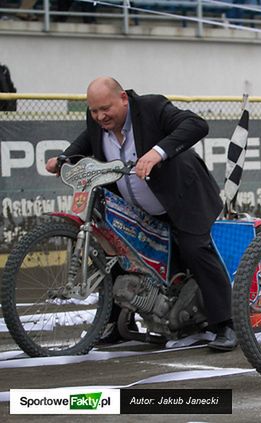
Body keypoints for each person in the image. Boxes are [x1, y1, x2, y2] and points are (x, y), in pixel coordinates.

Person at [45, 77, 236, 352]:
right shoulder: (98, 123)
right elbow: (87, 140)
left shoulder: (152, 107)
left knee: (196, 250)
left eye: (105, 109)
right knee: (116, 252)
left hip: (183, 198)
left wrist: (158, 153)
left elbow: (196, 125)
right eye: (94, 111)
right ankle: (117, 326)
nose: (99, 116)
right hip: (137, 207)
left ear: (123, 98)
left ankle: (225, 324)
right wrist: (64, 158)